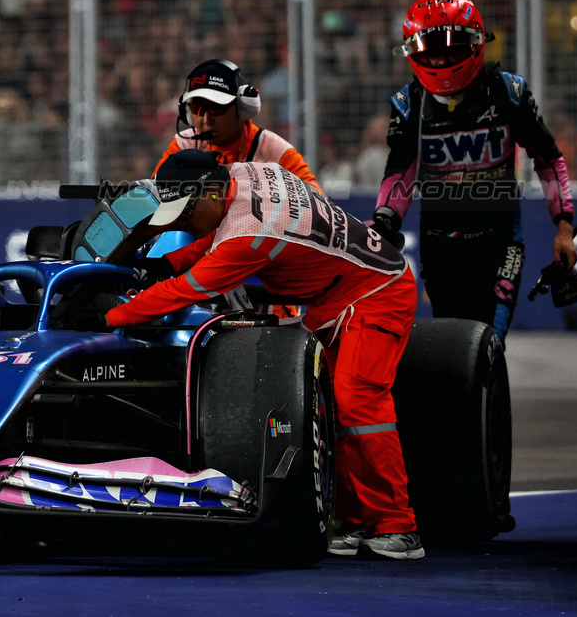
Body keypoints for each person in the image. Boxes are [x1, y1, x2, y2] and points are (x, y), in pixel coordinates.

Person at [101, 149, 425, 560]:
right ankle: (359, 520)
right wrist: (165, 264)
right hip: (343, 290)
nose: (180, 222)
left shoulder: (252, 231)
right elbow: (213, 238)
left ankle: (398, 526)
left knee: (357, 401)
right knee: (332, 407)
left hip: (377, 291)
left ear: (214, 192)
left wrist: (112, 315)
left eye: (184, 212)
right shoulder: (245, 174)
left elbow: (190, 288)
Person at [372, 0, 577, 340]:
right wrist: (384, 222)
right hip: (439, 247)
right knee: (452, 346)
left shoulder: (508, 92)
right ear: (415, 52)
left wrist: (564, 226)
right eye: (432, 49)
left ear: (476, 42)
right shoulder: (408, 105)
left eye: (452, 47)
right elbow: (399, 173)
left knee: (487, 341)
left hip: (501, 242)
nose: (442, 57)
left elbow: (547, 158)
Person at [154, 59, 321, 194]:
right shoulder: (184, 145)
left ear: (243, 108)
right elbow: (152, 200)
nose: (206, 119)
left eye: (216, 108)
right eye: (197, 108)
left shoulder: (277, 152)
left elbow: (321, 210)